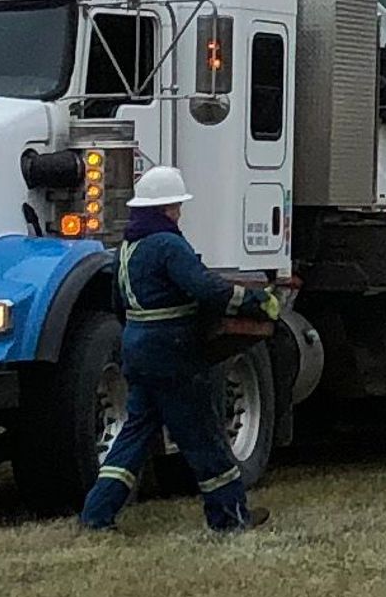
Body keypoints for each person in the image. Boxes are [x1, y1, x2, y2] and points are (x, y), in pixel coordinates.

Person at [79, 161, 273, 537]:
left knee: (133, 437)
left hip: (137, 352)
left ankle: (97, 514)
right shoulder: (168, 245)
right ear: (165, 209)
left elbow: (121, 306)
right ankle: (231, 517)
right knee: (204, 436)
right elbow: (207, 289)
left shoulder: (126, 250)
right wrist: (258, 302)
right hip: (174, 355)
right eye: (176, 206)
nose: (180, 212)